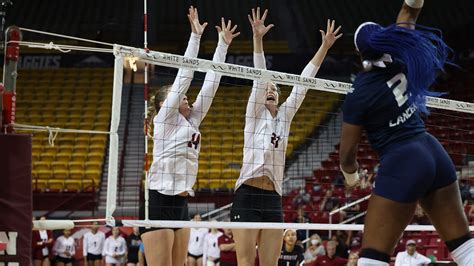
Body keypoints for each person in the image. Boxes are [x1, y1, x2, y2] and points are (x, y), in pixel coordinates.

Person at [339, 0, 474, 265]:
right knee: (464, 247)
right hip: (433, 151)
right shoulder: (401, 58)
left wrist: (351, 177)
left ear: (359, 54)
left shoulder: (360, 93)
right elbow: (409, 11)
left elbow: (347, 154)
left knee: (371, 258)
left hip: (403, 161)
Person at [230, 6, 342, 266]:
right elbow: (260, 78)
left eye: (274, 88)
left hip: (272, 198)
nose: (269, 89)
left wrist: (324, 47)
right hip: (246, 195)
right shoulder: (254, 115)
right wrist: (257, 39)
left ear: (279, 96)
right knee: (246, 262)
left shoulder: (285, 116)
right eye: (267, 88)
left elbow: (302, 84)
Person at [141, 5, 239, 266]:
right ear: (164, 104)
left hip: (181, 200)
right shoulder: (165, 119)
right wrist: (195, 37)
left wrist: (222, 45)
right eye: (177, 94)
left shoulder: (192, 119)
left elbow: (212, 82)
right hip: (159, 198)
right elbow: (185, 75)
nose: (184, 95)